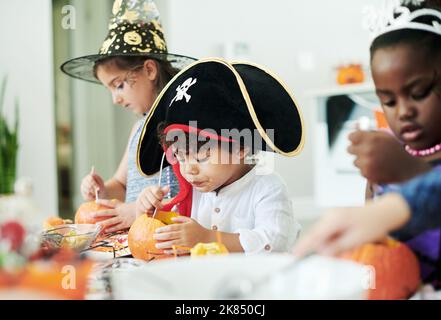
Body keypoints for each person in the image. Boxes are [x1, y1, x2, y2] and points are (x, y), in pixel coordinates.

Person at [294, 0, 441, 285]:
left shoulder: (399, 161)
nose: (403, 111)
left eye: (419, 92)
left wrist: (411, 173)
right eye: (388, 100)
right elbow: (375, 234)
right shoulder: (388, 155)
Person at [135, 58, 304, 254]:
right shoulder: (194, 192)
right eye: (181, 157)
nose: (189, 168)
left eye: (202, 157)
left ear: (242, 147)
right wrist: (150, 214)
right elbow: (173, 237)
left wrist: (208, 238)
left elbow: (274, 240)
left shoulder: (267, 187)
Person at [60, 0, 195, 232]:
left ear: (150, 70)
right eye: (109, 89)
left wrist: (136, 210)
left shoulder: (180, 126)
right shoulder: (138, 130)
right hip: (134, 239)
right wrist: (102, 189)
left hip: (165, 239)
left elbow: (191, 190)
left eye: (119, 85)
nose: (115, 99)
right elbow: (121, 184)